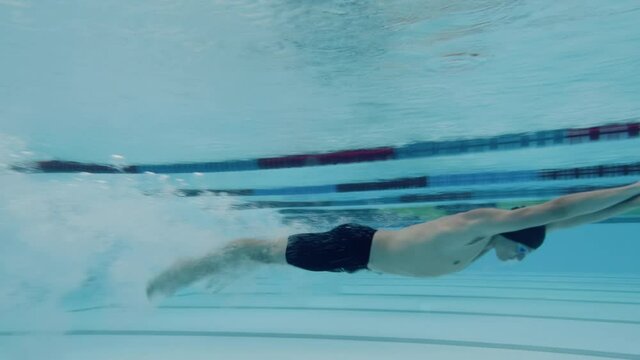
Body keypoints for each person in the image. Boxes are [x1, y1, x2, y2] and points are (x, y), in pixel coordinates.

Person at [146, 181, 640, 299]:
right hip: (350, 248)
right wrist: (634, 186)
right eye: (522, 255)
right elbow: (559, 210)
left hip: (358, 259)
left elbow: (571, 222)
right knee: (250, 251)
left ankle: (198, 268)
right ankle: (173, 273)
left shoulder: (496, 240)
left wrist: (633, 205)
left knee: (260, 259)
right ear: (513, 236)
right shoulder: (474, 226)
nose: (517, 260)